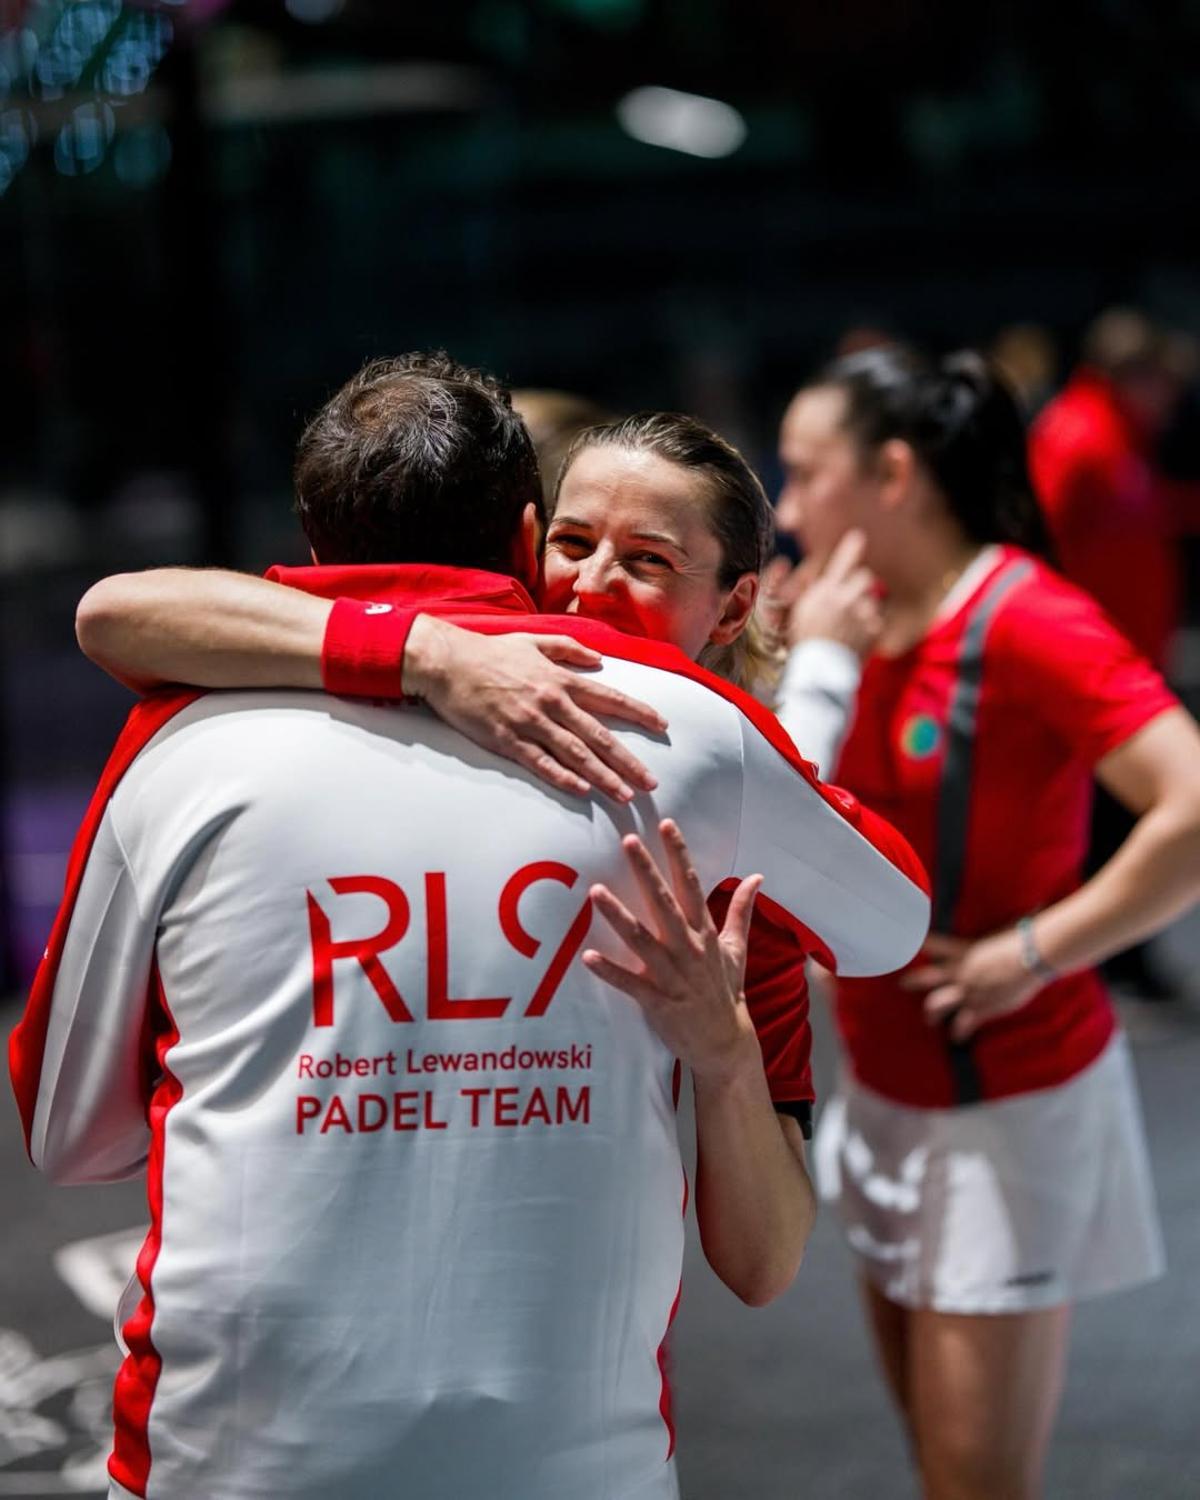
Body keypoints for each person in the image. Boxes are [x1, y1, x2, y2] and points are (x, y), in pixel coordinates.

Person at [13, 354, 930, 1500]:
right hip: (570, 1463)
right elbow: (891, 922)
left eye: (648, 560)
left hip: (224, 1457)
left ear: (304, 539)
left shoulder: (187, 737)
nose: (596, 586)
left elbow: (71, 1139)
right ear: (525, 535)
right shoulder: (698, 739)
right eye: (577, 546)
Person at [772, 345, 1200, 1500]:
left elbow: (1193, 803)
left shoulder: (1022, 616)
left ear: (894, 475)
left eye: (806, 473)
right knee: (942, 1472)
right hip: (885, 1094)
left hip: (1007, 1107)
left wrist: (1034, 949)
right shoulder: (839, 629)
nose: (787, 504)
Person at [1029, 308, 1188, 998]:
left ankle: (1120, 958)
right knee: (1113, 820)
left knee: (1121, 818)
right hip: (1093, 667)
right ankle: (1109, 960)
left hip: (1130, 658)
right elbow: (1039, 539)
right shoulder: (1077, 436)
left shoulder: (1120, 438)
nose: (1171, 401)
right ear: (1131, 374)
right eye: (1161, 384)